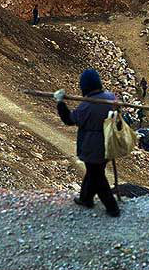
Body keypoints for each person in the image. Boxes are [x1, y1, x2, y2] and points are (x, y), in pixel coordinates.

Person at [54, 69, 120, 217]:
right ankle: (86, 198)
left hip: (92, 146)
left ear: (85, 86)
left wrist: (60, 103)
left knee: (98, 178)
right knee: (93, 172)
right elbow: (117, 110)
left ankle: (112, 208)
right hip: (108, 144)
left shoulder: (86, 106)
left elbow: (69, 120)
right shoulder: (110, 98)